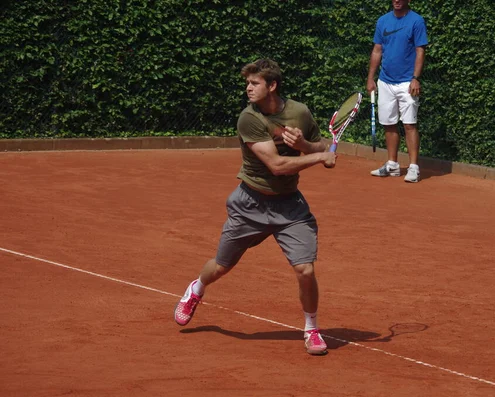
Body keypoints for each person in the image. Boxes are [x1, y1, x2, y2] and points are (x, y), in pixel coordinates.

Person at [174, 58, 336, 356]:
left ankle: (311, 328)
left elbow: (321, 147)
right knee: (221, 266)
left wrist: (306, 146)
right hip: (250, 203)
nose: (248, 89)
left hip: (290, 208)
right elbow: (276, 165)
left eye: (254, 83)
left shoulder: (299, 112)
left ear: (271, 86)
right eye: (247, 83)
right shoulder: (248, 118)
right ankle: (196, 288)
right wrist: (315, 157)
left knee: (305, 269)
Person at [366, 0, 429, 182]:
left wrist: (415, 78)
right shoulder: (383, 21)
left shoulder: (416, 21)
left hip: (406, 82)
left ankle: (414, 167)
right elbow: (377, 50)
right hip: (385, 81)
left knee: (409, 124)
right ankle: (392, 165)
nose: (397, 1)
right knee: (389, 123)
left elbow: (420, 50)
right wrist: (371, 77)